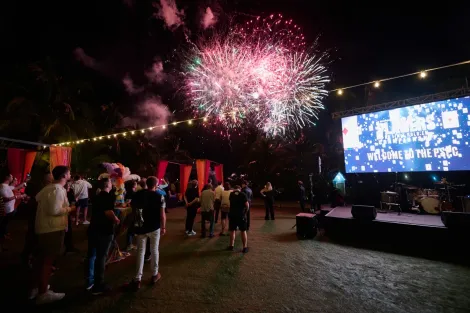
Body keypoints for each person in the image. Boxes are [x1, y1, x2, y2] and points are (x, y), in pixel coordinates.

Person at [30, 166, 75, 304]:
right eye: (69, 173)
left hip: (46, 228)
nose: (70, 175)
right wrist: (70, 208)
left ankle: (38, 287)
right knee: (47, 261)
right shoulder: (56, 189)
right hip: (51, 229)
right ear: (64, 175)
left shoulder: (50, 188)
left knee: (42, 259)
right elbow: (55, 210)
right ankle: (43, 293)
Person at [127, 176, 166, 291]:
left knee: (140, 251)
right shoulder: (160, 196)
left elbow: (133, 208)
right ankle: (154, 274)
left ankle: (137, 278)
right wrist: (163, 227)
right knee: (154, 250)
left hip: (141, 227)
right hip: (154, 227)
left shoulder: (138, 195)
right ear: (155, 185)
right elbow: (162, 215)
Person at [86, 178, 120, 294]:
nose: (112, 184)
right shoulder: (107, 196)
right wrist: (115, 219)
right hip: (104, 230)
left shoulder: (96, 196)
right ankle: (98, 285)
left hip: (93, 228)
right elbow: (108, 212)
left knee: (92, 255)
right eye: (111, 182)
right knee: (101, 257)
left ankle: (89, 281)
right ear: (107, 185)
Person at [22, 173, 53, 265]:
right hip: (37, 218)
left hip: (36, 218)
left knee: (33, 238)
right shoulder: (43, 190)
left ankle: (29, 256)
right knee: (33, 238)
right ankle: (30, 258)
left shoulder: (43, 189)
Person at [0, 171, 27, 252]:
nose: (12, 178)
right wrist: (19, 196)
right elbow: (5, 199)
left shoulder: (7, 186)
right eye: (11, 177)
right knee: (2, 225)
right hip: (5, 210)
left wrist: (24, 182)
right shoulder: (2, 187)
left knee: (4, 224)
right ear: (7, 177)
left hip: (9, 209)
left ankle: (3, 235)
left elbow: (15, 188)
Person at [228, 185, 249, 253]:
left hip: (232, 215)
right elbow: (247, 205)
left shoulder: (231, 194)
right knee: (243, 231)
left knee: (232, 230)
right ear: (240, 189)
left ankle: (231, 246)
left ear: (234, 189)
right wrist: (245, 211)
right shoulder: (242, 194)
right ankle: (244, 247)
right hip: (241, 215)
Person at [64, 182, 79, 254]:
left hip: (67, 214)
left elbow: (73, 203)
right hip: (64, 214)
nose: (69, 187)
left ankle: (68, 247)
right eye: (68, 185)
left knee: (68, 231)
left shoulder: (70, 193)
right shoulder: (62, 193)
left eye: (70, 185)